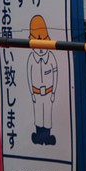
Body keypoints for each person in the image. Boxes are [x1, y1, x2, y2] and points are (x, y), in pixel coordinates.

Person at [26, 14, 58, 145]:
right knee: (38, 114)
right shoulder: (31, 59)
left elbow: (55, 76)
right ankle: (39, 136)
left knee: (48, 114)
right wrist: (32, 93)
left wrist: (54, 92)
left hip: (49, 92)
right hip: (36, 93)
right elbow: (28, 77)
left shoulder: (51, 57)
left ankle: (47, 137)